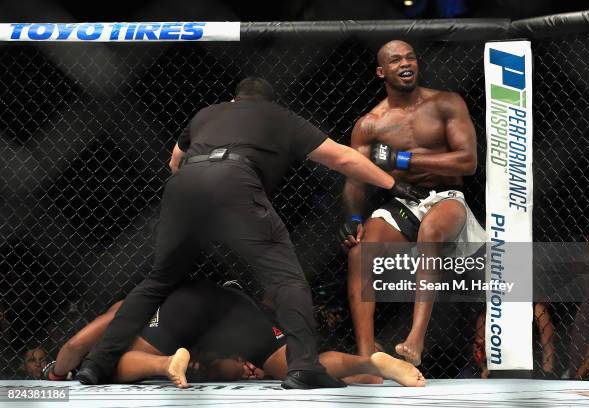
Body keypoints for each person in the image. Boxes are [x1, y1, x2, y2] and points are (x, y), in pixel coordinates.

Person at [78, 76, 427, 389]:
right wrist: (393, 183)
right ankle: (304, 367)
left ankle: (96, 365)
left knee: (157, 281)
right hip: (234, 181)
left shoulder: (206, 113)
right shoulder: (280, 117)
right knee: (287, 280)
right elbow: (343, 158)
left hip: (184, 186)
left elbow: (174, 161)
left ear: (234, 100)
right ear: (270, 103)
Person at [340, 40, 486, 365]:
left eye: (410, 57)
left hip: (446, 197)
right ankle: (365, 356)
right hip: (404, 202)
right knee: (360, 252)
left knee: (431, 233)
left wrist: (403, 160)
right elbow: (354, 178)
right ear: (382, 71)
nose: (405, 63)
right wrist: (352, 218)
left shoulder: (446, 103)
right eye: (395, 60)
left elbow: (467, 162)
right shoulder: (370, 124)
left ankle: (414, 341)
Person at [45, 279, 426, 388]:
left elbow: (76, 346)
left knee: (106, 362)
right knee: (297, 365)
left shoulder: (127, 309)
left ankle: (163, 364)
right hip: (237, 306)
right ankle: (370, 361)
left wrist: (56, 373)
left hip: (184, 307)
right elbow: (220, 369)